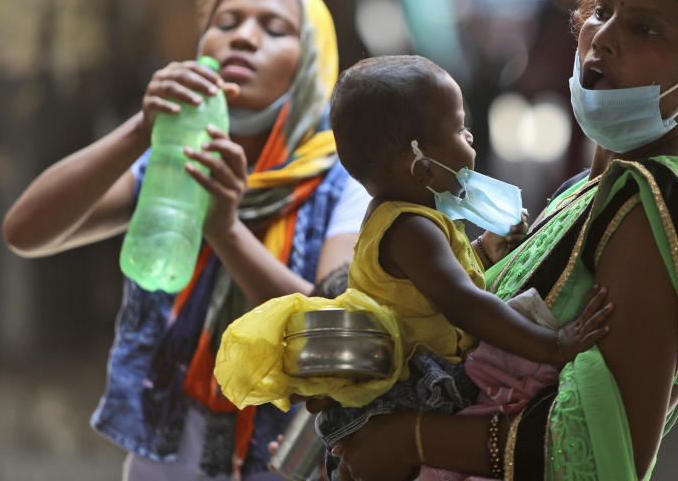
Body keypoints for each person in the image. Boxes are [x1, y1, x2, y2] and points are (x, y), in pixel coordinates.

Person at [317, 0, 678, 481]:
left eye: (645, 30)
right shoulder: (584, 191)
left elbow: (597, 449)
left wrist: (411, 438)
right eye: (602, 10)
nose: (606, 38)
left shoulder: (656, 200)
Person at [2, 0, 371, 480]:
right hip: (167, 452)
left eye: (274, 28)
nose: (243, 37)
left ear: (311, 62)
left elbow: (331, 335)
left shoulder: (346, 179)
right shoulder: (176, 158)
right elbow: (25, 231)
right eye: (227, 22)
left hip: (286, 457)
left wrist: (225, 230)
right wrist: (140, 129)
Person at [220, 55, 611, 478]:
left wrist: (481, 252)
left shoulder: (408, 218)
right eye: (460, 129)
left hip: (393, 390)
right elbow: (463, 303)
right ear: (422, 164)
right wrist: (551, 345)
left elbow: (424, 289)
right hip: (403, 395)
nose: (471, 136)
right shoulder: (412, 229)